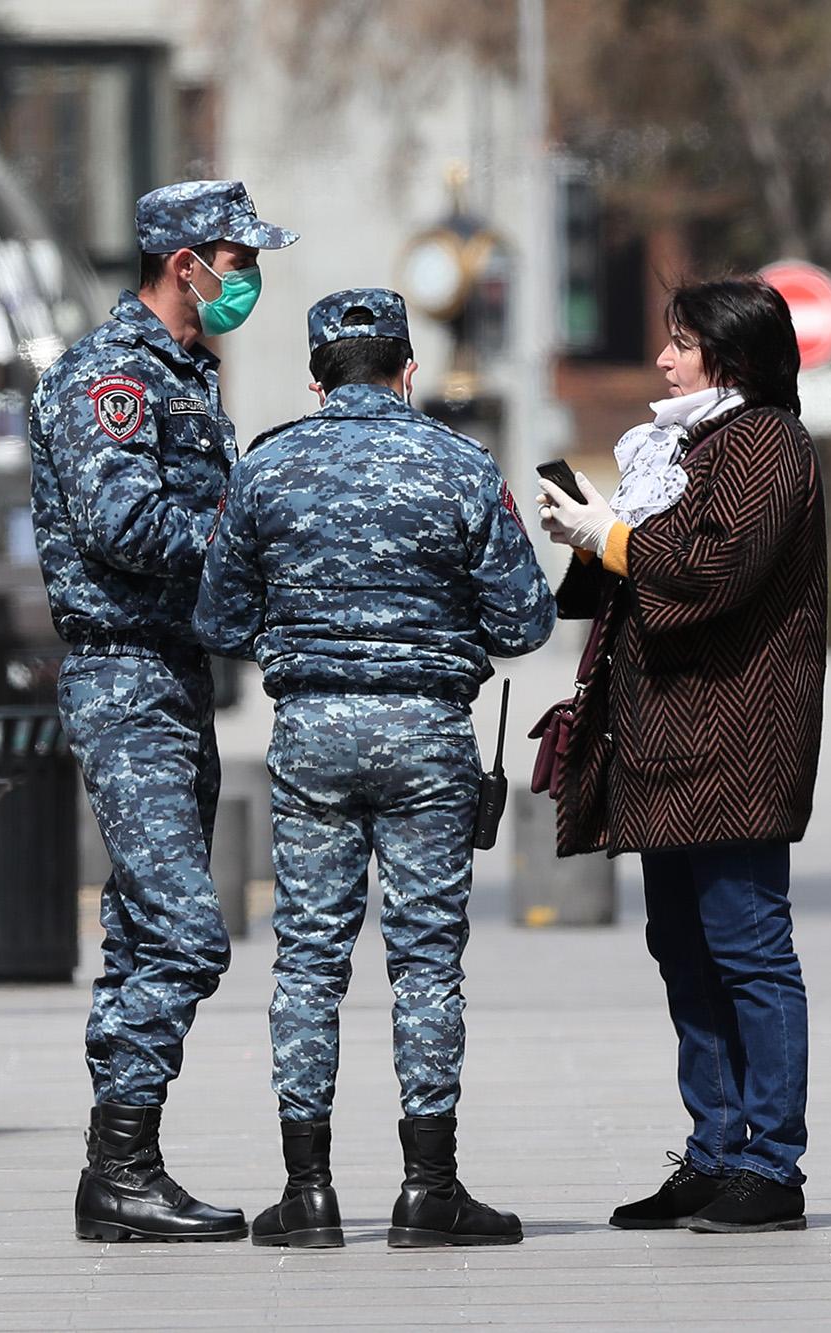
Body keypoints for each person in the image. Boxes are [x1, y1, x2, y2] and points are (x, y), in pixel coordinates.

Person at [194, 288, 555, 1250]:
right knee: (427, 962)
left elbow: (221, 621)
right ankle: (427, 1188)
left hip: (310, 732)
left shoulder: (267, 469)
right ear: (407, 371)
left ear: (316, 379)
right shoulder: (461, 464)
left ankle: (307, 1193)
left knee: (309, 958)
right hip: (429, 734)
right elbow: (526, 621)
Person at [28, 179, 296, 1243]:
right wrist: (256, 541)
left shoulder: (183, 372)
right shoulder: (113, 379)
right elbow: (123, 525)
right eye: (237, 262)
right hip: (125, 675)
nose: (248, 281)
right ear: (182, 263)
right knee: (187, 933)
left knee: (144, 932)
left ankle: (124, 1176)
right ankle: (119, 1161)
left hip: (173, 675)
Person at [536, 276, 825, 1235]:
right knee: (683, 948)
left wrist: (613, 534)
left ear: (732, 358)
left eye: (681, 344)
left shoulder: (766, 442)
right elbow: (621, 576)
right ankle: (714, 1149)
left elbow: (710, 568)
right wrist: (590, 534)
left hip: (736, 734)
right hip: (663, 731)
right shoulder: (683, 443)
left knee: (748, 945)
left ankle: (771, 1163)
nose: (663, 359)